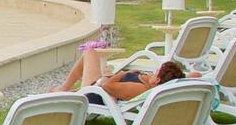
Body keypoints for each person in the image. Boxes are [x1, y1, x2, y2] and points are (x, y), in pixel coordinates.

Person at [53, 36, 202, 103]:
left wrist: (122, 74)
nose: (153, 71)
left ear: (157, 80)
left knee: (89, 52)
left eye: (156, 71)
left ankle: (64, 89)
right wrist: (182, 77)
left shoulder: (140, 89)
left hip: (93, 94)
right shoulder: (157, 82)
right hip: (102, 85)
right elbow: (197, 74)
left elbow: (107, 86)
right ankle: (64, 89)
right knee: (90, 54)